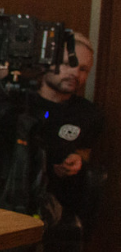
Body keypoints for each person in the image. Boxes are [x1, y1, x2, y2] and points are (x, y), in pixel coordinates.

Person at [28, 32, 103, 217]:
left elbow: (84, 152)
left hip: (56, 202)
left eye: (83, 69)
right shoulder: (20, 103)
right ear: (46, 63)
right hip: (14, 192)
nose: (75, 73)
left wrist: (76, 161)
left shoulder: (89, 113)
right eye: (68, 64)